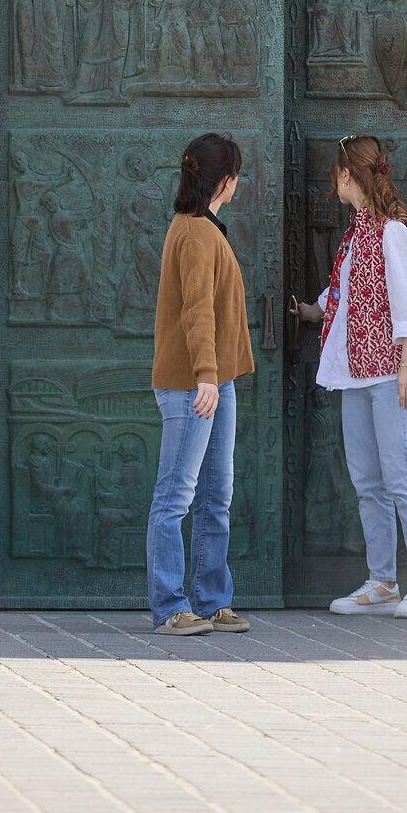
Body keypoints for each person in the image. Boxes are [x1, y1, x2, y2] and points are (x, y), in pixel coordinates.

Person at [292, 134, 407, 619]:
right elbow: (346, 290)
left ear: (346, 174)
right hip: (359, 370)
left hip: (393, 369)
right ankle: (383, 582)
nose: (331, 182)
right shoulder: (358, 233)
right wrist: (313, 311)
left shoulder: (391, 231)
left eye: (334, 174)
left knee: (401, 474)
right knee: (368, 480)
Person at [146, 133, 254, 637]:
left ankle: (211, 602)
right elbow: (197, 311)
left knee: (216, 494)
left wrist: (216, 377)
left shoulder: (204, 228)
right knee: (175, 497)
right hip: (194, 384)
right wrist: (207, 376)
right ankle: (171, 607)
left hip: (215, 381)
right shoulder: (194, 233)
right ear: (226, 180)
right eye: (237, 174)